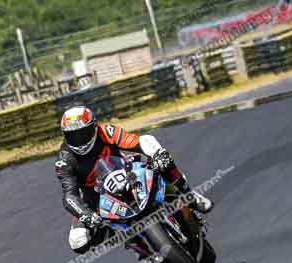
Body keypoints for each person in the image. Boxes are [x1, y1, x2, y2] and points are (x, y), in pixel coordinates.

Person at [55, 105, 213, 255]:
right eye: (72, 136)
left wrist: (156, 153)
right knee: (77, 240)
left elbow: (137, 141)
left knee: (162, 159)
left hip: (125, 170)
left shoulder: (106, 131)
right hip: (94, 194)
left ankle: (189, 195)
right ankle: (126, 239)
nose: (79, 140)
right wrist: (86, 215)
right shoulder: (65, 159)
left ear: (94, 127)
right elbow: (70, 196)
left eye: (83, 133)